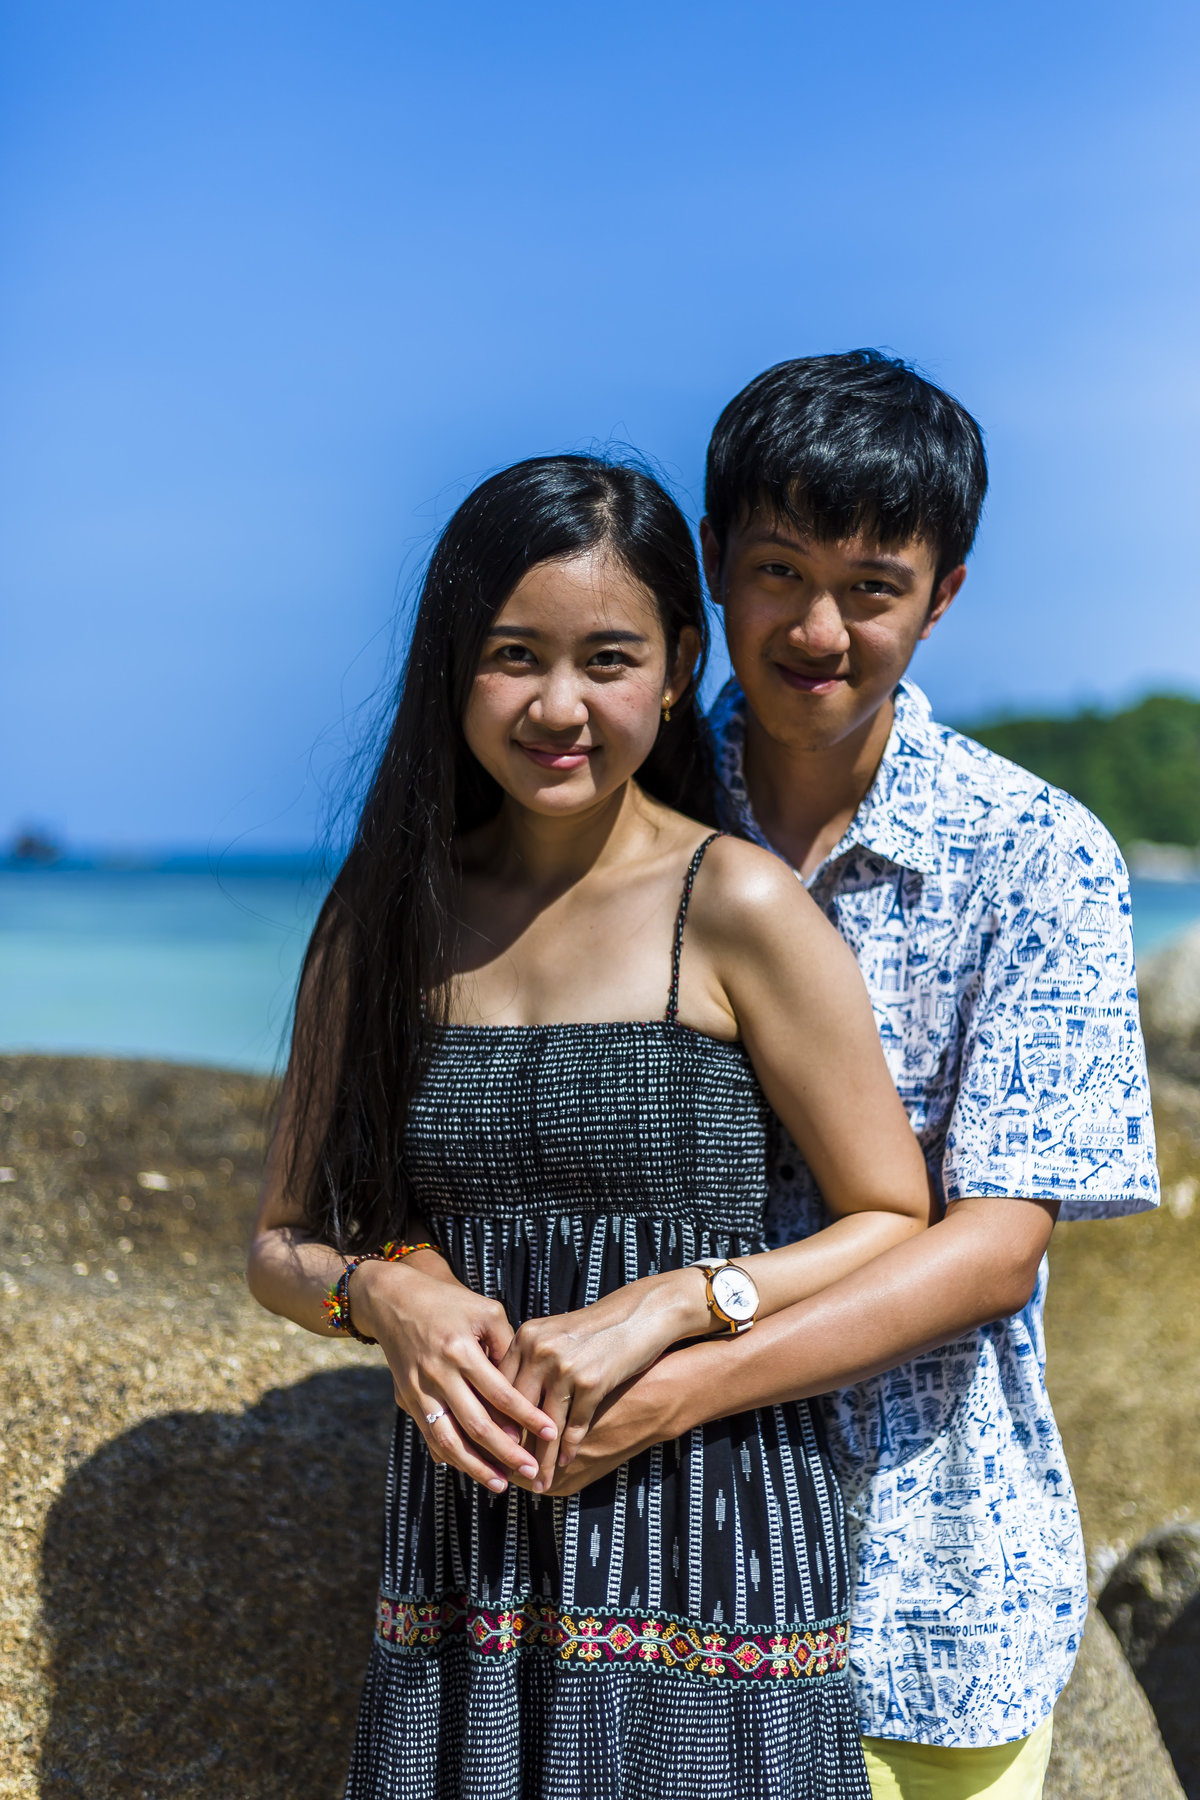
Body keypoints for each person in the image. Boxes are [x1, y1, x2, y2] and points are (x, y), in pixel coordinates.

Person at [247, 455, 936, 1800]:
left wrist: (682, 1302)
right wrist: (385, 1296)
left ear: (678, 667)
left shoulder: (733, 904)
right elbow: (279, 1240)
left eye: (607, 659)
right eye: (514, 657)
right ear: (453, 669)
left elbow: (891, 1213)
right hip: (466, 1553)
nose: (560, 706)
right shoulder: (386, 918)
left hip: (716, 1532)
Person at [543, 355, 1160, 1800]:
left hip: (926, 1593)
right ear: (709, 566)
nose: (819, 629)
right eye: (777, 572)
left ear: (942, 595)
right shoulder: (610, 815)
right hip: (634, 1562)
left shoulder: (1037, 857)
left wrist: (685, 1376)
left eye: (873, 587)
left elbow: (993, 1253)